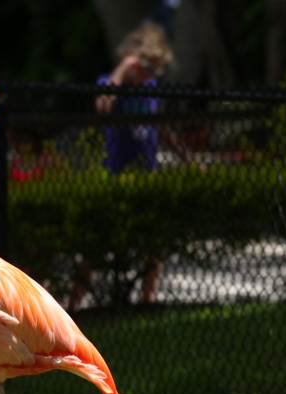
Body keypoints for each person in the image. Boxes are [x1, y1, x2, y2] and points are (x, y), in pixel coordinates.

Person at [96, 23, 174, 304]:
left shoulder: (151, 88)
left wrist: (187, 158)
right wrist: (121, 71)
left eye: (155, 71)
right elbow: (103, 108)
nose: (149, 76)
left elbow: (163, 128)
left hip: (147, 172)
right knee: (98, 240)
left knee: (154, 243)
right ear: (131, 59)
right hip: (116, 171)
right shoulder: (111, 83)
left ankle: (147, 300)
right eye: (145, 67)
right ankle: (73, 304)